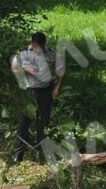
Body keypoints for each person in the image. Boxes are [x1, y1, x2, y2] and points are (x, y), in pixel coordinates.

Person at [11, 32, 65, 162]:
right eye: (35, 46)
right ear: (32, 43)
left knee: (43, 122)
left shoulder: (51, 54)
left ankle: (40, 154)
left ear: (44, 45)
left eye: (39, 47)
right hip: (28, 91)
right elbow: (14, 69)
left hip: (45, 91)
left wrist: (58, 87)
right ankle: (18, 153)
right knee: (24, 123)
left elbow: (61, 72)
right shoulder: (23, 53)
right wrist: (25, 70)